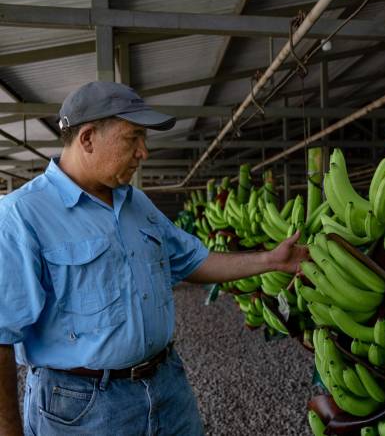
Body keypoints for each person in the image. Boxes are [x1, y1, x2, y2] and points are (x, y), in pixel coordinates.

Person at [0, 81, 308, 436]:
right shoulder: (22, 216)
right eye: (133, 138)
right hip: (82, 408)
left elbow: (193, 260)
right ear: (87, 139)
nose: (144, 152)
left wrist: (272, 260)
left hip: (166, 387)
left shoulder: (137, 204)